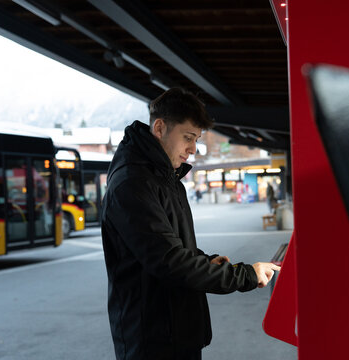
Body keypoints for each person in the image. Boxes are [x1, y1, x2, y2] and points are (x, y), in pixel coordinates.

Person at [101, 88, 281, 360]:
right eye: (187, 137)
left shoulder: (166, 179)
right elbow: (168, 261)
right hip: (152, 339)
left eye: (196, 139)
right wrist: (246, 275)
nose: (193, 149)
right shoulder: (132, 184)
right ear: (160, 127)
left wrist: (206, 261)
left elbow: (173, 246)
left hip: (176, 330)